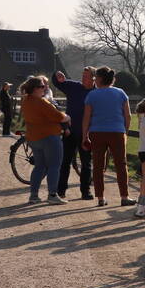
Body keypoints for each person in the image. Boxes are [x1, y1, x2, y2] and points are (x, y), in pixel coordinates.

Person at [82, 66, 135, 207]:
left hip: (97, 133)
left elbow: (86, 118)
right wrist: (125, 131)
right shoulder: (121, 93)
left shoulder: (92, 95)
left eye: (95, 78)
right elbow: (128, 116)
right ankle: (124, 196)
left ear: (99, 79)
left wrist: (84, 136)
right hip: (117, 132)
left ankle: (100, 198)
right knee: (121, 165)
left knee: (98, 166)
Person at [20, 75, 69, 205]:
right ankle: (52, 194)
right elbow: (59, 117)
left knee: (39, 166)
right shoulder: (42, 102)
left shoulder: (25, 100)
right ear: (35, 88)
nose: (45, 88)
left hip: (33, 137)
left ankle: (34, 195)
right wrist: (67, 117)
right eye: (42, 86)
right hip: (49, 137)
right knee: (54, 165)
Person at [52, 68, 95, 200]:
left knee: (86, 163)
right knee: (65, 161)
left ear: (93, 78)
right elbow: (58, 83)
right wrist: (56, 75)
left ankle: (85, 191)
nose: (83, 78)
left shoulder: (96, 93)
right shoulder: (73, 86)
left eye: (86, 76)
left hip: (85, 133)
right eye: (82, 75)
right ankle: (61, 190)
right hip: (69, 131)